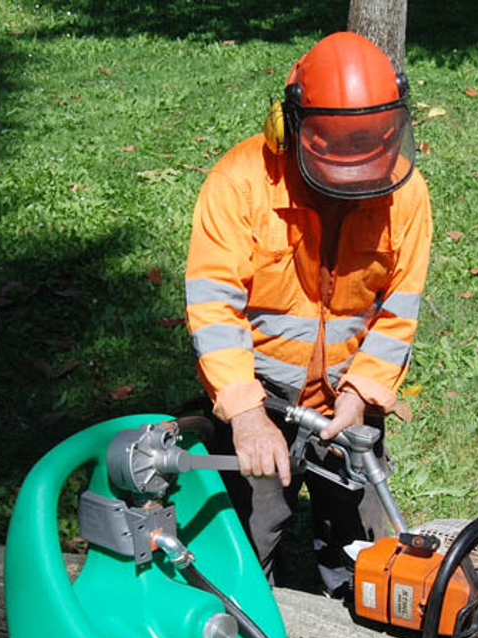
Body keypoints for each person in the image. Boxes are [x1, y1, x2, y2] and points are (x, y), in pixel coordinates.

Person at [185, 31, 432, 593]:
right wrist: (246, 413)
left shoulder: (405, 195)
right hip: (260, 392)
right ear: (291, 127)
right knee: (241, 549)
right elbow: (214, 304)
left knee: (370, 557)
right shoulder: (240, 184)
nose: (352, 189)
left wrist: (363, 392)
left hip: (346, 396)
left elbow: (398, 310)